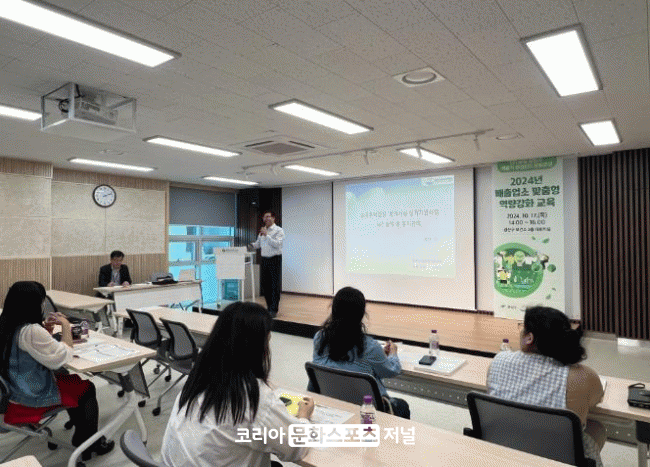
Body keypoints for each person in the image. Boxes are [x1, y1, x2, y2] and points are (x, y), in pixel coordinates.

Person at [161, 301, 314, 467]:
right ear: (256, 348)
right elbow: (297, 446)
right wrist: (304, 416)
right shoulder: (254, 398)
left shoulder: (197, 379)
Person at [0, 281, 114, 461]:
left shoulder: (7, 323)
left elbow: (27, 350)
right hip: (28, 396)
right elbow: (63, 357)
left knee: (68, 378)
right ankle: (88, 443)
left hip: (12, 389)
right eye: (41, 301)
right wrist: (66, 326)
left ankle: (82, 431)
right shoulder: (30, 331)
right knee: (86, 388)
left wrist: (45, 332)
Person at [487, 306, 605, 467]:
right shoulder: (583, 376)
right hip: (558, 456)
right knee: (597, 428)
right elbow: (596, 401)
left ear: (529, 338)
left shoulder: (499, 361)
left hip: (504, 448)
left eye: (523, 328)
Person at [311, 286, 411, 419]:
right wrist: (393, 353)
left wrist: (378, 354)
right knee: (402, 405)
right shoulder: (370, 347)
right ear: (361, 314)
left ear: (333, 309)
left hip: (332, 406)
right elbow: (391, 371)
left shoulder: (320, 338)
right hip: (367, 411)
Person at [250, 211, 284, 317]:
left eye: (268, 216)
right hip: (264, 259)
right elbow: (258, 244)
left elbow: (277, 244)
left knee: (274, 285)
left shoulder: (279, 230)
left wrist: (267, 235)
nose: (266, 218)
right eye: (264, 217)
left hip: (274, 259)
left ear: (273, 218)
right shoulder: (263, 230)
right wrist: (251, 245)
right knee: (265, 285)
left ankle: (274, 309)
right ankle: (269, 307)